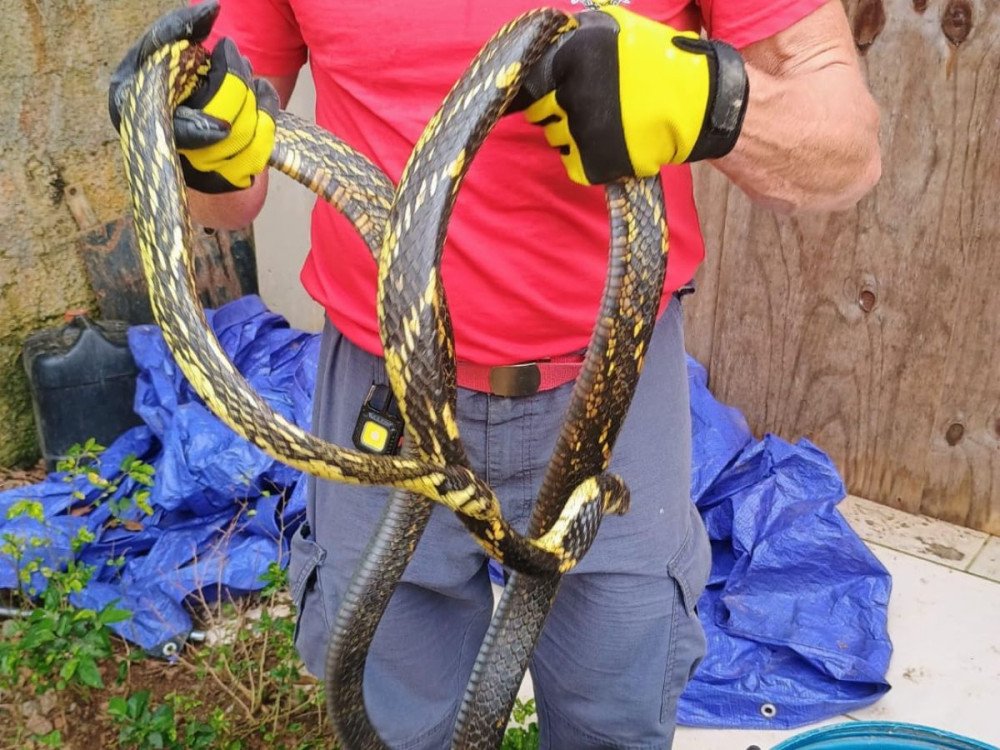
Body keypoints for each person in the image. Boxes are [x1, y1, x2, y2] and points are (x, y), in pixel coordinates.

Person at [109, 0, 880, 747]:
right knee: (389, 719)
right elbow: (228, 202)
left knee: (614, 712)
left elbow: (847, 153)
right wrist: (196, 146)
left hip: (615, 388)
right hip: (384, 398)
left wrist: (707, 96)